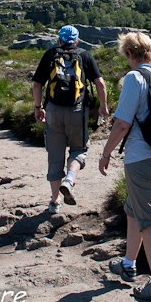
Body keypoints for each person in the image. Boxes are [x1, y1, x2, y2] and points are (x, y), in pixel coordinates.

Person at [99, 32, 151, 302]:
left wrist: (106, 152)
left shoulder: (134, 78)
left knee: (149, 221)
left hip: (141, 160)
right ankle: (128, 264)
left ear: (129, 54)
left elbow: (122, 123)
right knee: (134, 209)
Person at [32, 25, 108, 214]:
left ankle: (54, 201)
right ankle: (69, 179)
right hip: (77, 110)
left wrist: (38, 107)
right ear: (77, 40)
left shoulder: (50, 54)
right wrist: (103, 107)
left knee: (55, 154)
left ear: (59, 40)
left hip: (53, 111)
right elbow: (100, 83)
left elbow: (37, 84)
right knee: (79, 149)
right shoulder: (85, 55)